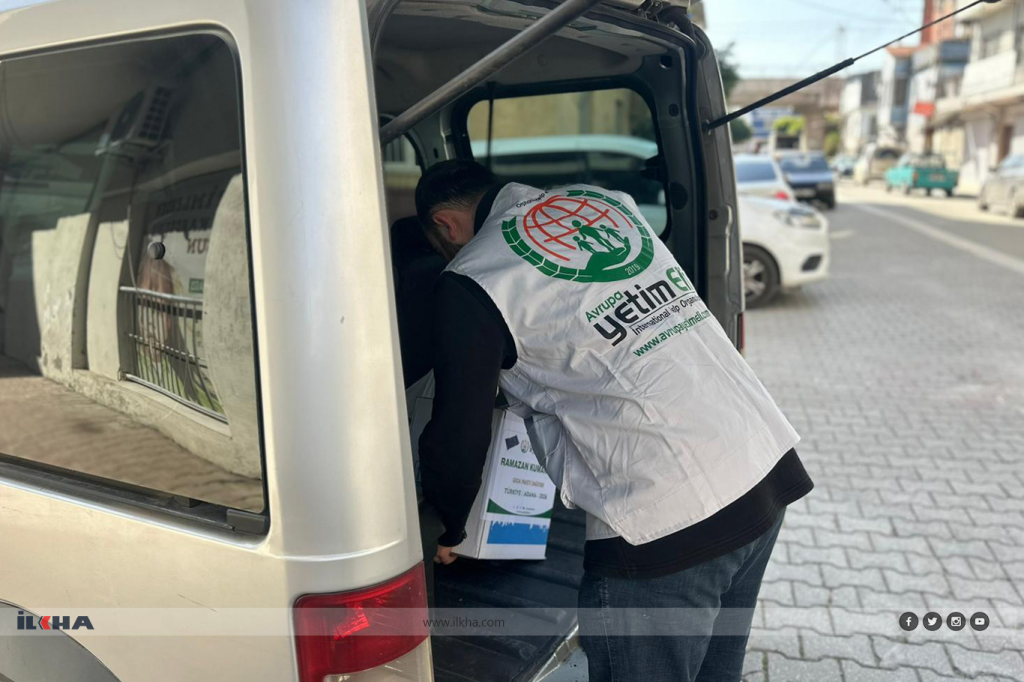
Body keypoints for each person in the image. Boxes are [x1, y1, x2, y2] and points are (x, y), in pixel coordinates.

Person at [414, 159, 813, 682]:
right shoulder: (603, 202)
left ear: (445, 225)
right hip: (760, 463)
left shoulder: (474, 277)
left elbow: (458, 437)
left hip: (667, 523)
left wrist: (447, 526)